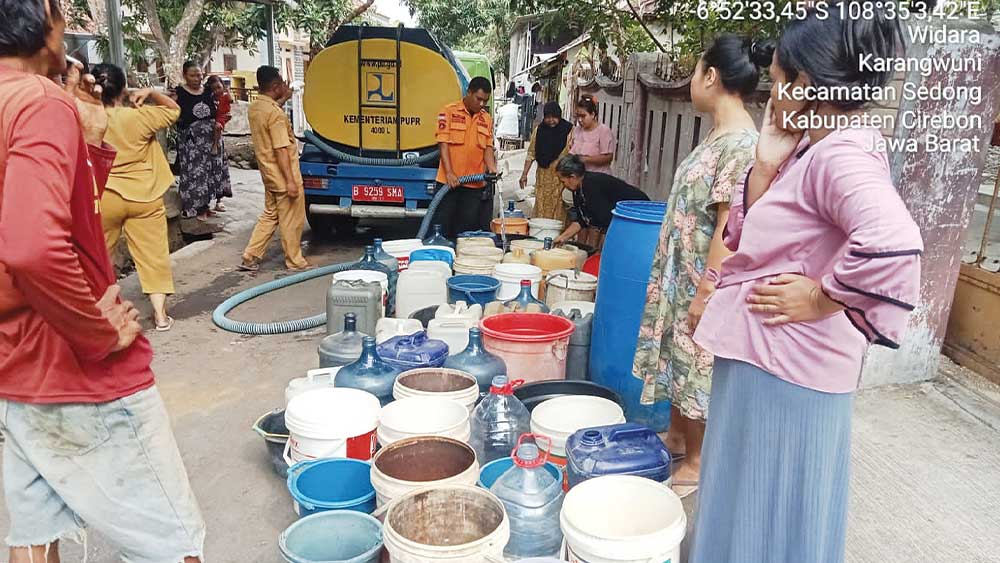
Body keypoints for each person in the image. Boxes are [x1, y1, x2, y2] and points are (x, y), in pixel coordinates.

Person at [689, 7, 922, 563]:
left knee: (763, 515)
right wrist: (766, 167)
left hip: (785, 369)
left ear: (806, 84)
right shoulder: (814, 148)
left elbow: (893, 242)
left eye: (775, 83)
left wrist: (822, 298)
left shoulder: (840, 153)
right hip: (772, 362)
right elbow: (768, 240)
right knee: (759, 507)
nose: (769, 98)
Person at [0, 1, 205, 562]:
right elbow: (33, 245)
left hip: (14, 369)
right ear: (41, 19)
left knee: (35, 534)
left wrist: (88, 136)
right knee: (174, 542)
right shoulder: (37, 103)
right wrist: (96, 333)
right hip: (73, 368)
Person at [631, 34, 763, 499]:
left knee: (696, 367)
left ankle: (699, 460)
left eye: (695, 71)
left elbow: (731, 226)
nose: (690, 81)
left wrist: (706, 291)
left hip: (700, 283)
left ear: (711, 76)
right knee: (676, 362)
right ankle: (677, 438)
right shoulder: (718, 135)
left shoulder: (743, 145)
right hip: (679, 277)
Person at [93, 62, 180, 332]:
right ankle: (161, 316)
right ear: (123, 89)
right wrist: (150, 93)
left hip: (105, 196)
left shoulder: (89, 118)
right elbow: (173, 109)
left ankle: (99, 315)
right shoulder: (139, 117)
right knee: (153, 256)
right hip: (145, 195)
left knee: (98, 257)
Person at [239, 65, 311, 272]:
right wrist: (290, 181)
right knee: (291, 219)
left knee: (271, 214)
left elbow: (271, 113)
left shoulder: (256, 108)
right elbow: (281, 149)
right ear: (275, 85)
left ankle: (250, 255)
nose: (284, 86)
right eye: (281, 83)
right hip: (282, 174)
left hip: (268, 174)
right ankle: (295, 261)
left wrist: (284, 100)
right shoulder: (275, 115)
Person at [433, 76, 498, 238]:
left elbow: (487, 147)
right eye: (479, 99)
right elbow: (443, 143)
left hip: (474, 186)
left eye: (486, 101)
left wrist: (492, 167)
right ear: (469, 92)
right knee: (442, 228)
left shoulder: (486, 119)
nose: (482, 104)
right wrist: (449, 172)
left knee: (467, 231)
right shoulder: (448, 111)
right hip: (449, 183)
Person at [552, 154, 648, 249]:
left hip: (639, 212)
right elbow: (581, 221)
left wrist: (601, 251)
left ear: (572, 177)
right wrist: (562, 237)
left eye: (563, 181)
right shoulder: (577, 189)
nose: (563, 185)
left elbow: (606, 221)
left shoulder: (592, 186)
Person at [174, 60, 231, 221]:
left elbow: (224, 104)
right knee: (194, 173)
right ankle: (195, 208)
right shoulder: (179, 92)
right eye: (192, 75)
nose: (196, 78)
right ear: (185, 76)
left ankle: (205, 206)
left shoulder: (207, 91)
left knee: (210, 172)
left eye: (199, 75)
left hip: (211, 140)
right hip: (191, 142)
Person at [521, 101, 573, 222]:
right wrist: (524, 174)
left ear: (559, 116)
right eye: (547, 117)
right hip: (543, 179)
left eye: (554, 117)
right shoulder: (539, 130)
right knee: (542, 206)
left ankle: (558, 237)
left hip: (560, 179)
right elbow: (531, 153)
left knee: (560, 208)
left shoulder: (569, 130)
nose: (551, 120)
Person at [568, 95, 615, 174]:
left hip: (599, 177)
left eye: (583, 116)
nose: (579, 120)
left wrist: (586, 159)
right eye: (578, 116)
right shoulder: (577, 130)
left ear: (592, 115)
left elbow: (608, 158)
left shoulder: (603, 131)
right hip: (580, 177)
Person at [206, 74, 233, 212]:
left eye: (218, 87)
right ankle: (206, 202)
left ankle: (219, 200)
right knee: (207, 172)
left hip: (218, 136)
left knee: (219, 169)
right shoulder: (207, 101)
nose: (217, 90)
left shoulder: (224, 98)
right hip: (205, 140)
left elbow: (229, 109)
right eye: (214, 88)